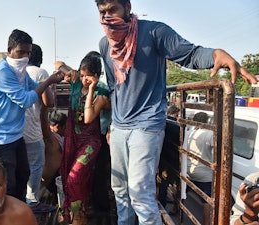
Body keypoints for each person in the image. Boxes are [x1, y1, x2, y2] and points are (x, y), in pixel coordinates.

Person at [94, 0, 258, 224]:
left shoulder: (153, 32)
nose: (107, 16)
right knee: (120, 189)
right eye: (102, 12)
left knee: (140, 195)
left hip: (147, 124)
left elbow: (189, 54)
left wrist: (215, 55)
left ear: (128, 7)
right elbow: (115, 87)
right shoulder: (105, 44)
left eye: (113, 10)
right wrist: (114, 125)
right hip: (120, 126)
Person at [0, 29, 64, 202]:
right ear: (9, 50)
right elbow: (26, 100)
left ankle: (20, 211)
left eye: (27, 53)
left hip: (15, 136)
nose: (25, 57)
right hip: (0, 139)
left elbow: (34, 85)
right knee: (8, 184)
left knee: (24, 174)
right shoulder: (3, 72)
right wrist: (49, 81)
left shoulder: (21, 73)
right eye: (21, 52)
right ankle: (8, 217)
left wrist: (49, 82)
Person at [60, 52, 111, 225]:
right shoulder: (75, 83)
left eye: (88, 76)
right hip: (74, 140)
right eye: (82, 75)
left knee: (74, 178)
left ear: (97, 75)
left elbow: (88, 118)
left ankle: (78, 217)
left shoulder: (102, 92)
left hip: (90, 142)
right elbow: (58, 63)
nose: (84, 79)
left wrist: (90, 90)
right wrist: (69, 71)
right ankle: (80, 213)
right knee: (78, 177)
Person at [23, 43, 56, 213]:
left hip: (14, 130)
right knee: (37, 165)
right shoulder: (40, 73)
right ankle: (32, 201)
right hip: (32, 129)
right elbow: (48, 102)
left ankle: (19, 200)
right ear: (40, 59)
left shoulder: (17, 72)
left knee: (21, 167)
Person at [183, 112, 213, 225]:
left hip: (189, 171)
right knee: (206, 201)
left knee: (182, 192)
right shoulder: (209, 134)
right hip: (204, 175)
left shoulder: (188, 133)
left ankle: (176, 208)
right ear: (206, 121)